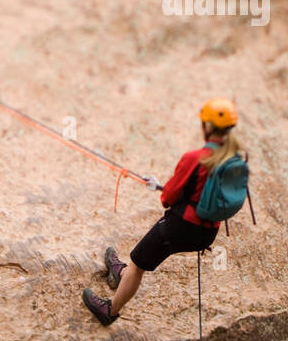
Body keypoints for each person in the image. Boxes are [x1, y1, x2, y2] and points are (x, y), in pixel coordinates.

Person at [83, 98, 243, 325]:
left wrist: (163, 189)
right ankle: (121, 274)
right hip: (207, 234)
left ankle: (110, 311)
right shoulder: (235, 159)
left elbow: (168, 198)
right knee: (142, 257)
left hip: (181, 228)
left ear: (206, 126)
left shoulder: (195, 158)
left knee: (138, 264)